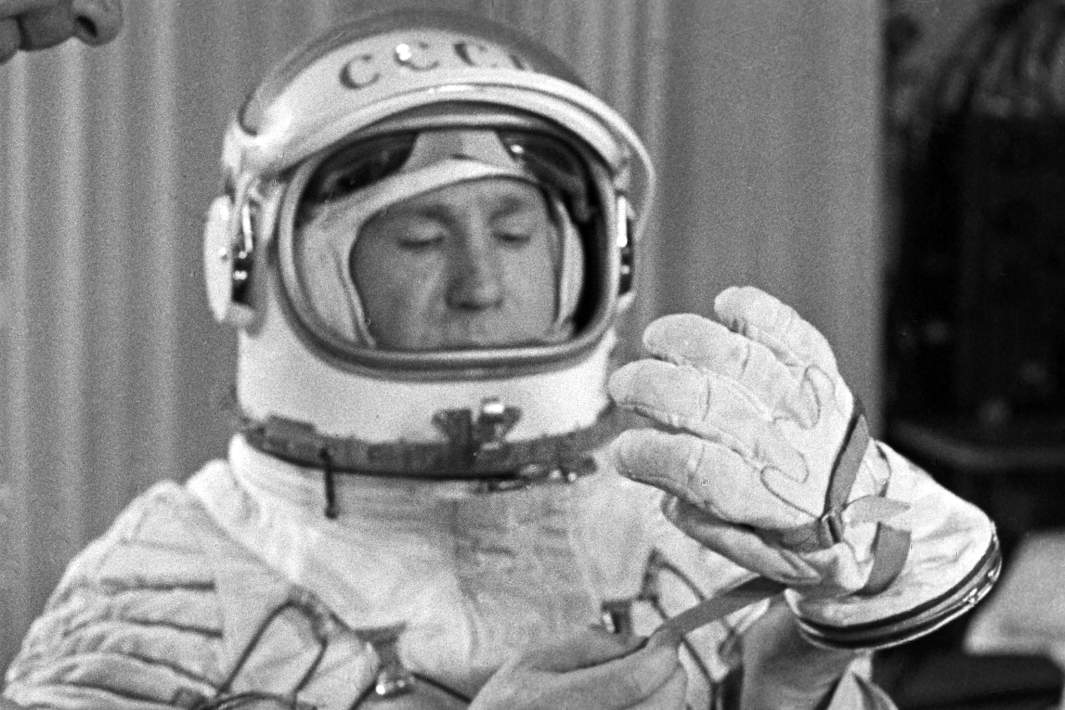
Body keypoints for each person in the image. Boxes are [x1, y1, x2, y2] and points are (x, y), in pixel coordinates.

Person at [3, 9, 1000, 709]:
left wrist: (789, 684)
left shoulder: (694, 533)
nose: (481, 283)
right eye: (420, 239)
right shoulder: (164, 591)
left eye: (516, 234)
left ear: (597, 259)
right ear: (266, 266)